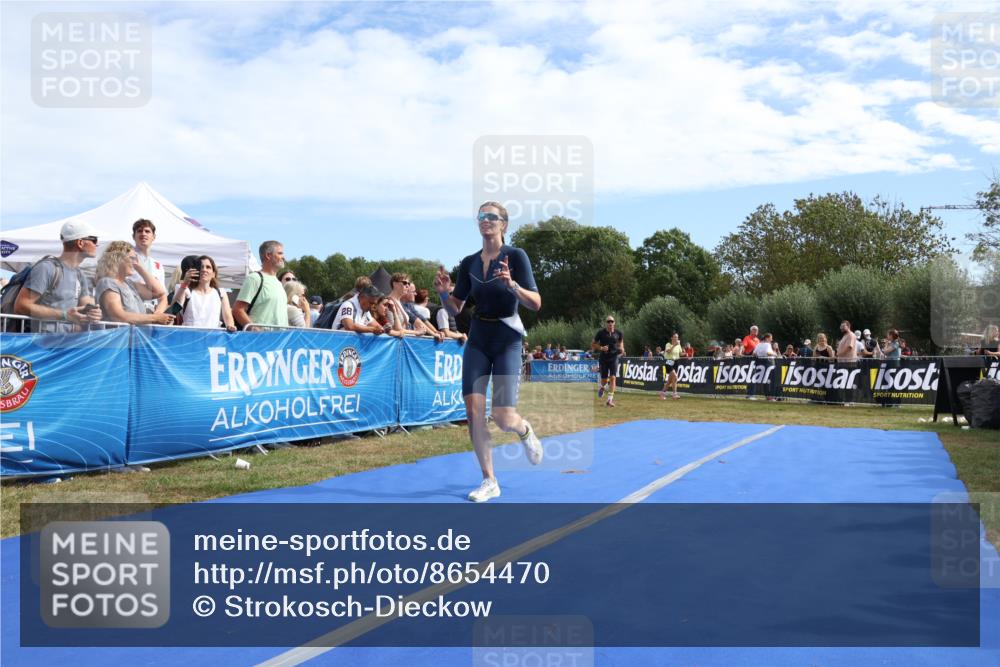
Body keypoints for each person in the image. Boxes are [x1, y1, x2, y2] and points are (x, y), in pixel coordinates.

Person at [435, 201, 543, 503]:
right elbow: (455, 308)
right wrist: (444, 293)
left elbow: (536, 303)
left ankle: (523, 430)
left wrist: (513, 287)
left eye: (492, 217)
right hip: (478, 337)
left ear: (504, 225)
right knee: (473, 412)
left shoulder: (516, 256)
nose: (486, 221)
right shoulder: (469, 262)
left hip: (507, 337)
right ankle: (489, 479)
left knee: (503, 416)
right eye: (481, 216)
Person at [13, 220, 104, 332]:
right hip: (42, 345)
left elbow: (86, 305)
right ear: (80, 243)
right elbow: (21, 305)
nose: (97, 244)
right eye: (94, 240)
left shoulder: (80, 274)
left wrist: (93, 312)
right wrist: (65, 315)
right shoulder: (46, 268)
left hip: (66, 344)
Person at [95, 241, 174, 325]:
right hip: (119, 336)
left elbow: (159, 292)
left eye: (136, 259)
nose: (134, 262)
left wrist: (139, 268)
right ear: (118, 258)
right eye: (132, 258)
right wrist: (155, 318)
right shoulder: (107, 282)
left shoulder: (129, 283)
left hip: (133, 336)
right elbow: (117, 316)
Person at [233, 240, 289, 329]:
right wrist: (256, 331)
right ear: (268, 255)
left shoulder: (278, 283)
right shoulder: (254, 278)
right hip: (261, 340)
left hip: (280, 340)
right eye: (280, 253)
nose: (284, 257)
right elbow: (238, 310)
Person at [173, 255, 237, 331]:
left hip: (212, 338)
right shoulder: (186, 290)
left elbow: (228, 317)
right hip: (189, 337)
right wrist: (184, 284)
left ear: (213, 274)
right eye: (201, 267)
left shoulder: (220, 292)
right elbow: (174, 310)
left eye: (208, 267)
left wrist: (231, 326)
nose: (204, 270)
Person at [129, 219, 168, 314]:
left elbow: (163, 296)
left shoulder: (157, 265)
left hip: (151, 314)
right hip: (131, 311)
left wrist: (158, 314)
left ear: (153, 237)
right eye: (139, 231)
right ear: (133, 236)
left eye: (147, 231)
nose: (143, 234)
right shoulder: (126, 258)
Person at [593, 315, 625, 407]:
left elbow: (621, 342)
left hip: (614, 358)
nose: (610, 323)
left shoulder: (618, 333)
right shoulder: (601, 333)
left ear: (614, 323)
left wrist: (622, 349)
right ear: (606, 323)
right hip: (603, 358)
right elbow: (593, 344)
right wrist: (601, 348)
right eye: (608, 322)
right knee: (604, 379)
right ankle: (602, 387)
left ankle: (609, 400)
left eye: (612, 321)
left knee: (613, 378)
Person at [750, 332, 778, 401]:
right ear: (767, 338)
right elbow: (768, 353)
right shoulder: (768, 344)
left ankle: (767, 396)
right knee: (771, 380)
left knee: (765, 380)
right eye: (771, 338)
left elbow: (753, 354)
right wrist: (774, 354)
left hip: (760, 363)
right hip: (769, 363)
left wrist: (760, 355)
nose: (772, 339)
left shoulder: (759, 344)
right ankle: (771, 396)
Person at [659, 333, 683, 400]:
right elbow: (668, 351)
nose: (676, 338)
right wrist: (675, 345)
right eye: (675, 337)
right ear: (671, 338)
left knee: (670, 381)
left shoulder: (679, 345)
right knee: (675, 376)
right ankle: (674, 394)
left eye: (677, 337)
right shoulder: (668, 344)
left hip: (676, 362)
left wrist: (686, 353)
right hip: (669, 362)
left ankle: (662, 393)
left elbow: (680, 353)